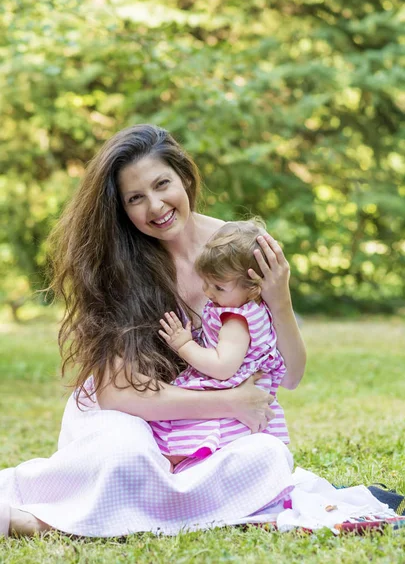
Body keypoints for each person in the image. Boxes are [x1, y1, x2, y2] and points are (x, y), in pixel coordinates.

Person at [0, 124, 399, 538]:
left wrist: (279, 298)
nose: (155, 206)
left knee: (266, 458)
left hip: (203, 434)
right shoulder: (118, 268)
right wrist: (230, 402)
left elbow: (292, 375)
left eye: (162, 184)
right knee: (126, 455)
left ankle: (130, 504)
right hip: (129, 415)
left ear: (184, 177)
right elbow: (118, 394)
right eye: (136, 198)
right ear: (121, 209)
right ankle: (40, 521)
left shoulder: (239, 248)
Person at [150, 219, 290, 467]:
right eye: (205, 281)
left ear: (253, 287)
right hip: (239, 394)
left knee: (182, 443)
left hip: (229, 395)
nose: (208, 292)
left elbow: (222, 367)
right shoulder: (251, 308)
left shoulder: (236, 321)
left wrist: (184, 345)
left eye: (219, 287)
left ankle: (177, 463)